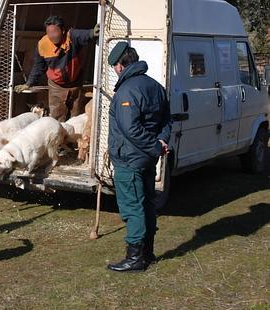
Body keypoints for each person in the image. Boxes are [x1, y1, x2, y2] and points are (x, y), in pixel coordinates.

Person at [105, 42, 171, 272]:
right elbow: (166, 121)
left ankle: (134, 259)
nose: (115, 70)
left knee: (132, 207)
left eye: (114, 66)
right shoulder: (155, 86)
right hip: (147, 159)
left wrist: (155, 146)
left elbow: (130, 128)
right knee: (147, 203)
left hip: (130, 159)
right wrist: (161, 142)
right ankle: (147, 252)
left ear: (121, 66)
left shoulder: (127, 91)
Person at [14, 15, 98, 121]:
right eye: (49, 32)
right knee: (57, 116)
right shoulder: (42, 44)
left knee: (75, 116)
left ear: (63, 30)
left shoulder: (71, 36)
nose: (51, 35)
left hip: (75, 84)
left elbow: (83, 35)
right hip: (56, 86)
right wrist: (28, 83)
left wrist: (92, 33)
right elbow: (38, 66)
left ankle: (73, 136)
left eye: (54, 32)